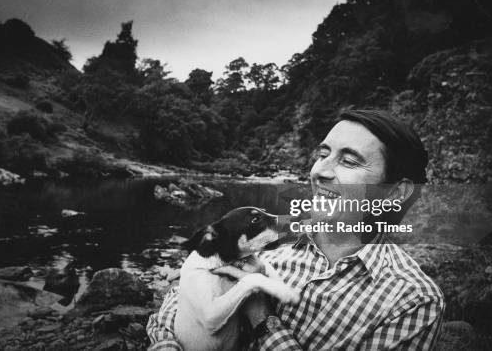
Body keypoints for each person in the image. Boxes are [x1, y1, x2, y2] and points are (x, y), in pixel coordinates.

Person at [147, 109, 444, 350]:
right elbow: (178, 300)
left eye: (349, 161)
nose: (320, 171)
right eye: (322, 154)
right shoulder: (267, 242)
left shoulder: (412, 301)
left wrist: (263, 319)